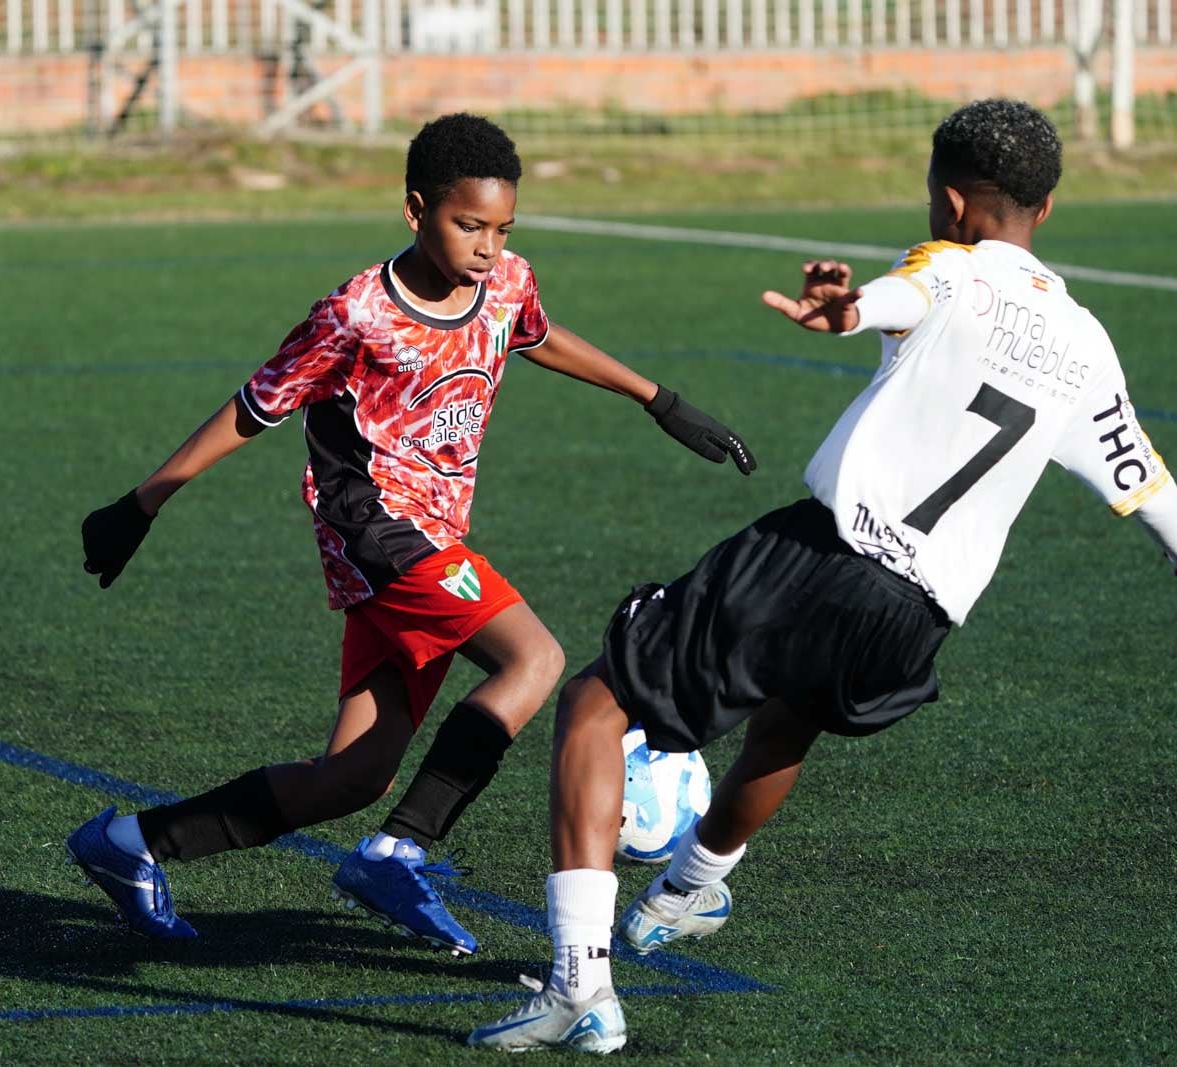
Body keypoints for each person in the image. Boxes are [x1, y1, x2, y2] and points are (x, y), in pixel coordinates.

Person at [467, 98, 1177, 1052]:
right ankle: (691, 888)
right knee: (787, 724)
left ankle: (580, 981)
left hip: (826, 552)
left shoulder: (947, 269)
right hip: (917, 616)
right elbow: (1135, 468)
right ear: (1050, 207)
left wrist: (848, 308)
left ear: (951, 200)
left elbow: (896, 299)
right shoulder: (1087, 343)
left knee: (595, 705)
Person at [62, 113, 756, 956]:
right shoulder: (355, 313)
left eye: (503, 228)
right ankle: (401, 849)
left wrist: (660, 399)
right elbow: (256, 406)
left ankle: (130, 844)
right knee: (533, 658)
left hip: (433, 535)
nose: (488, 246)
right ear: (415, 210)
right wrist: (144, 502)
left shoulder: (504, 282)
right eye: (469, 225)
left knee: (354, 775)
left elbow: (534, 332)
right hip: (376, 530)